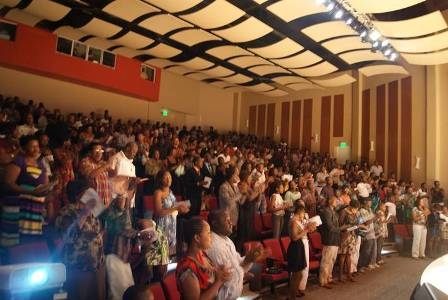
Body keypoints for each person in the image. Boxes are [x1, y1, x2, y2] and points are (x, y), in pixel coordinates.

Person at [55, 180, 105, 300]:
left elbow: (98, 232)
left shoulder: (93, 213)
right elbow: (68, 237)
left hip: (96, 267)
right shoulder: (67, 212)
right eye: (88, 191)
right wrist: (84, 212)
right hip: (78, 267)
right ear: (78, 195)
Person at [206, 209, 267, 300]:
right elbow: (228, 278)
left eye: (230, 219)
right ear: (215, 224)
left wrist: (249, 259)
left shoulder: (227, 239)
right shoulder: (214, 246)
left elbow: (237, 262)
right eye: (226, 220)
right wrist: (243, 273)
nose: (231, 223)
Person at [3, 134, 52, 245]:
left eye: (37, 146)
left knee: (28, 241)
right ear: (25, 148)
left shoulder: (40, 165)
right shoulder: (19, 161)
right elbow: (8, 183)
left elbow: (45, 184)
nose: (36, 149)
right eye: (32, 146)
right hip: (18, 207)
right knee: (15, 240)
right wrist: (29, 192)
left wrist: (49, 190)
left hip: (34, 209)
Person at [176, 217, 232, 300]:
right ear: (197, 238)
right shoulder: (187, 269)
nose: (211, 237)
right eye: (208, 233)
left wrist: (219, 271)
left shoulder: (202, 254)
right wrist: (219, 281)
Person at [154, 170, 189, 257]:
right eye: (165, 177)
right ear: (160, 179)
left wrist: (181, 208)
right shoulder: (158, 192)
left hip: (172, 225)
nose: (168, 179)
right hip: (162, 226)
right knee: (160, 256)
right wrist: (176, 208)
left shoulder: (171, 192)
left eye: (170, 177)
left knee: (169, 255)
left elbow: (173, 207)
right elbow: (158, 212)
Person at [287, 204, 316, 299]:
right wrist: (306, 230)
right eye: (303, 213)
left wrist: (308, 228)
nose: (304, 215)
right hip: (295, 248)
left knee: (299, 274)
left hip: (299, 247)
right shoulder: (294, 222)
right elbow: (294, 237)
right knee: (296, 274)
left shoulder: (297, 221)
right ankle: (292, 297)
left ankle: (294, 294)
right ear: (300, 212)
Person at [319, 196, 341, 288]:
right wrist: (341, 229)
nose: (337, 202)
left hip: (334, 238)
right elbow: (330, 227)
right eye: (336, 201)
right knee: (326, 261)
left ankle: (329, 277)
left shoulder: (333, 211)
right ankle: (323, 281)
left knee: (332, 260)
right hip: (329, 239)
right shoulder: (326, 211)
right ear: (331, 201)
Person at [338, 199, 362, 282]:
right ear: (351, 206)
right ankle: (340, 276)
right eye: (355, 208)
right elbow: (340, 224)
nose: (356, 210)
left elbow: (356, 222)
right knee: (342, 256)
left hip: (352, 235)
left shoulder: (354, 213)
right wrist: (348, 226)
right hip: (344, 236)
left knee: (349, 255)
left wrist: (356, 225)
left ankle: (349, 274)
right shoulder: (344, 212)